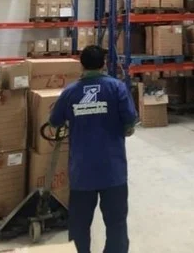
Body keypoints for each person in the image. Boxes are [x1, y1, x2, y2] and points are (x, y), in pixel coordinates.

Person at [49, 45, 137, 253]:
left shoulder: (70, 92)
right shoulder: (117, 88)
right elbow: (130, 121)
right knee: (116, 223)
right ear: (104, 64)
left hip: (82, 172)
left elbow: (54, 121)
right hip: (112, 170)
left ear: (81, 65)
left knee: (79, 225)